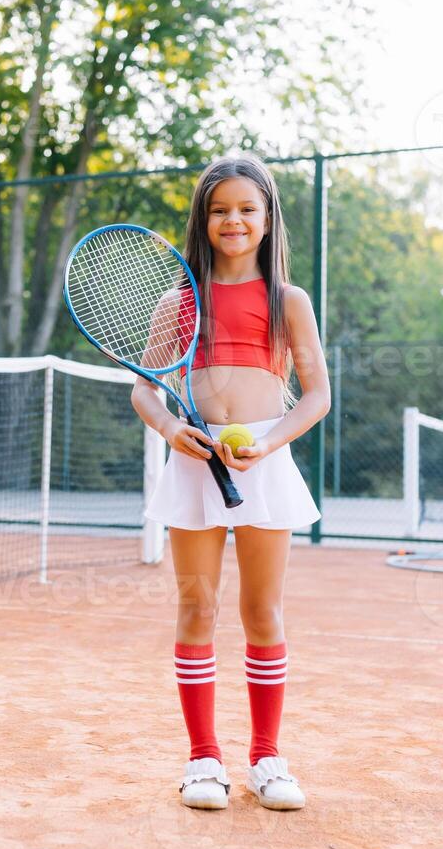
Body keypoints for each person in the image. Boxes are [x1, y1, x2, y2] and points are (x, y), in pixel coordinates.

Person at [132, 154, 329, 811]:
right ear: (202, 220)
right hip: (193, 466)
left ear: (269, 219)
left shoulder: (288, 301)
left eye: (247, 208)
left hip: (262, 467)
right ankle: (202, 761)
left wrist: (269, 442)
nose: (233, 220)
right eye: (220, 210)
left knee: (262, 612)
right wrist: (170, 432)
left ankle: (267, 757)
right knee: (196, 610)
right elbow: (144, 392)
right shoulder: (179, 301)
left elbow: (317, 397)